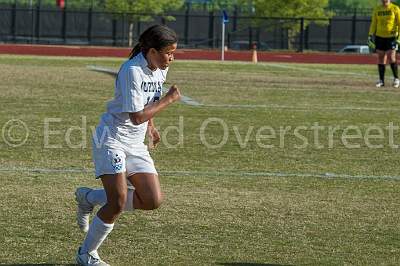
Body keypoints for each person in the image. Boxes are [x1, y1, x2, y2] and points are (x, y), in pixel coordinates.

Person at [74, 24, 181, 266]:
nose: (171, 58)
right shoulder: (132, 70)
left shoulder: (159, 70)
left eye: (174, 53)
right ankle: (86, 255)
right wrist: (169, 99)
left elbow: (146, 105)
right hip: (111, 139)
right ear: (152, 51)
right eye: (168, 53)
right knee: (117, 202)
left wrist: (151, 127)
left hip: (135, 143)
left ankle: (89, 198)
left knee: (152, 200)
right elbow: (136, 116)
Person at [368, 0, 400, 88]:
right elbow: (374, 23)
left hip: (392, 37)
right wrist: (370, 35)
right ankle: (381, 80)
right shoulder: (377, 9)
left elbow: (399, 23)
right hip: (379, 37)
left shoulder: (395, 8)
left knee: (391, 57)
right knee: (381, 57)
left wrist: (399, 38)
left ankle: (396, 79)